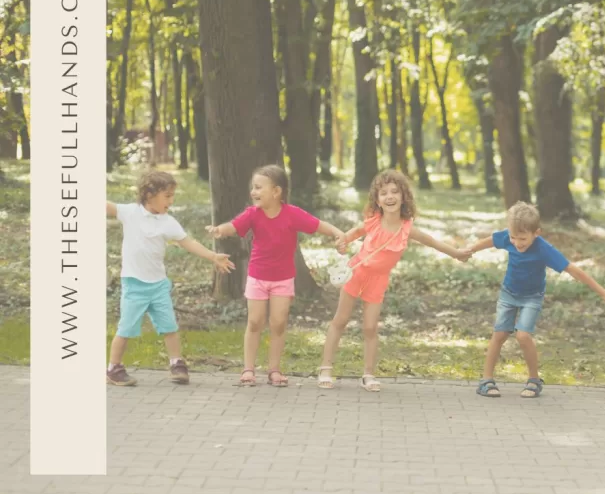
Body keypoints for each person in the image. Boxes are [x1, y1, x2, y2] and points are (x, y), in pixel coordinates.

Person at [317, 169, 470, 391]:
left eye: (394, 192)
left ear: (403, 196)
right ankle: (325, 369)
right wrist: (342, 243)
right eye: (384, 193)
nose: (389, 197)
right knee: (340, 320)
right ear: (377, 200)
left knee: (370, 328)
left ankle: (368, 374)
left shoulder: (407, 229)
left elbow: (432, 242)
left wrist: (456, 253)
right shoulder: (373, 222)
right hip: (356, 273)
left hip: (378, 281)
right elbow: (350, 235)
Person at [462, 201, 605, 398]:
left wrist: (602, 291)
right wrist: (469, 251)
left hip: (532, 298)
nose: (517, 243)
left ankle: (534, 381)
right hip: (508, 294)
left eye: (522, 239)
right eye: (513, 238)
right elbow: (490, 241)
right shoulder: (508, 237)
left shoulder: (544, 249)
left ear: (536, 233)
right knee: (500, 334)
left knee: (522, 336)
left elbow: (573, 270)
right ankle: (486, 380)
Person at [207, 165, 345, 387]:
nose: (253, 192)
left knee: (278, 323)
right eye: (253, 187)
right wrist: (219, 230)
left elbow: (318, 225)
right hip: (257, 277)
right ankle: (248, 369)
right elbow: (234, 226)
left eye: (259, 187)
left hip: (283, 279)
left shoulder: (292, 214)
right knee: (254, 321)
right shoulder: (253, 214)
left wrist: (338, 233)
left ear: (276, 191)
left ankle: (274, 370)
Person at [107, 171, 234, 386]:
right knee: (126, 328)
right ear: (149, 194)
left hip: (158, 286)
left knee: (169, 326)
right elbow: (107, 206)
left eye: (172, 195)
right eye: (167, 196)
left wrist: (213, 256)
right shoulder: (130, 213)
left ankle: (177, 363)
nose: (171, 201)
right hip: (134, 285)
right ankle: (113, 368)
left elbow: (188, 242)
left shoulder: (168, 222)